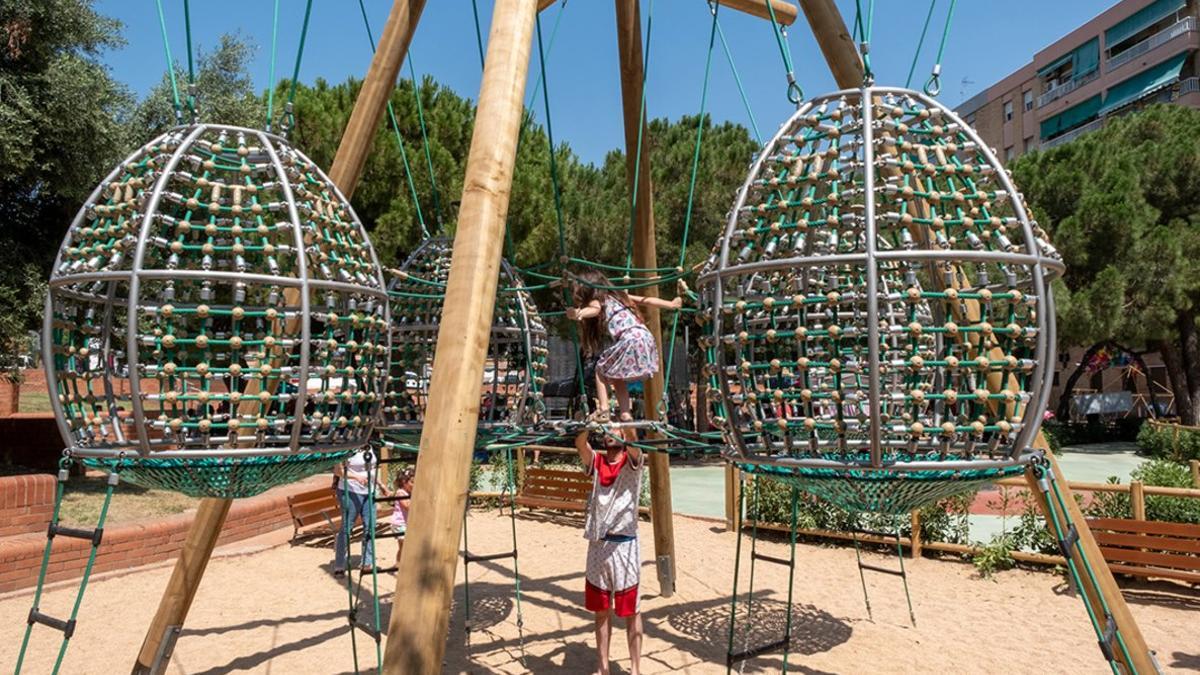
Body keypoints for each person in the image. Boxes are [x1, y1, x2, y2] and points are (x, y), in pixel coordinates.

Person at [566, 270, 682, 426]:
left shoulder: (599, 299)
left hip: (629, 338)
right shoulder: (620, 296)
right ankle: (626, 413)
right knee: (616, 376)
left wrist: (578, 313)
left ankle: (604, 409)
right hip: (646, 338)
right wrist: (671, 304)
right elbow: (646, 301)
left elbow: (594, 309)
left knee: (600, 369)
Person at [575, 428, 644, 675]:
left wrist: (626, 423)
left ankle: (635, 669)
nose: (610, 433)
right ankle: (603, 666)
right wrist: (589, 425)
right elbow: (581, 444)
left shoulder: (632, 460)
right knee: (601, 611)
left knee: (631, 610)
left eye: (614, 429)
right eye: (606, 431)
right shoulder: (598, 461)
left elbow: (634, 443)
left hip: (625, 544)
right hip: (598, 545)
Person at [331, 449, 387, 576]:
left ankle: (367, 563)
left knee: (370, 527)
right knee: (347, 527)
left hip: (369, 491)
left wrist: (381, 485)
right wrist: (356, 477)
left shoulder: (370, 447)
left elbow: (371, 470)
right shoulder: (347, 446)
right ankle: (339, 563)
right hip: (350, 490)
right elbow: (337, 470)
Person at [390, 468, 415, 570]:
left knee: (403, 547)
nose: (414, 485)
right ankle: (400, 563)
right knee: (404, 545)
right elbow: (407, 506)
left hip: (406, 524)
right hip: (399, 524)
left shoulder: (408, 493)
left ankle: (399, 563)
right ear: (404, 482)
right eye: (412, 482)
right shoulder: (400, 493)